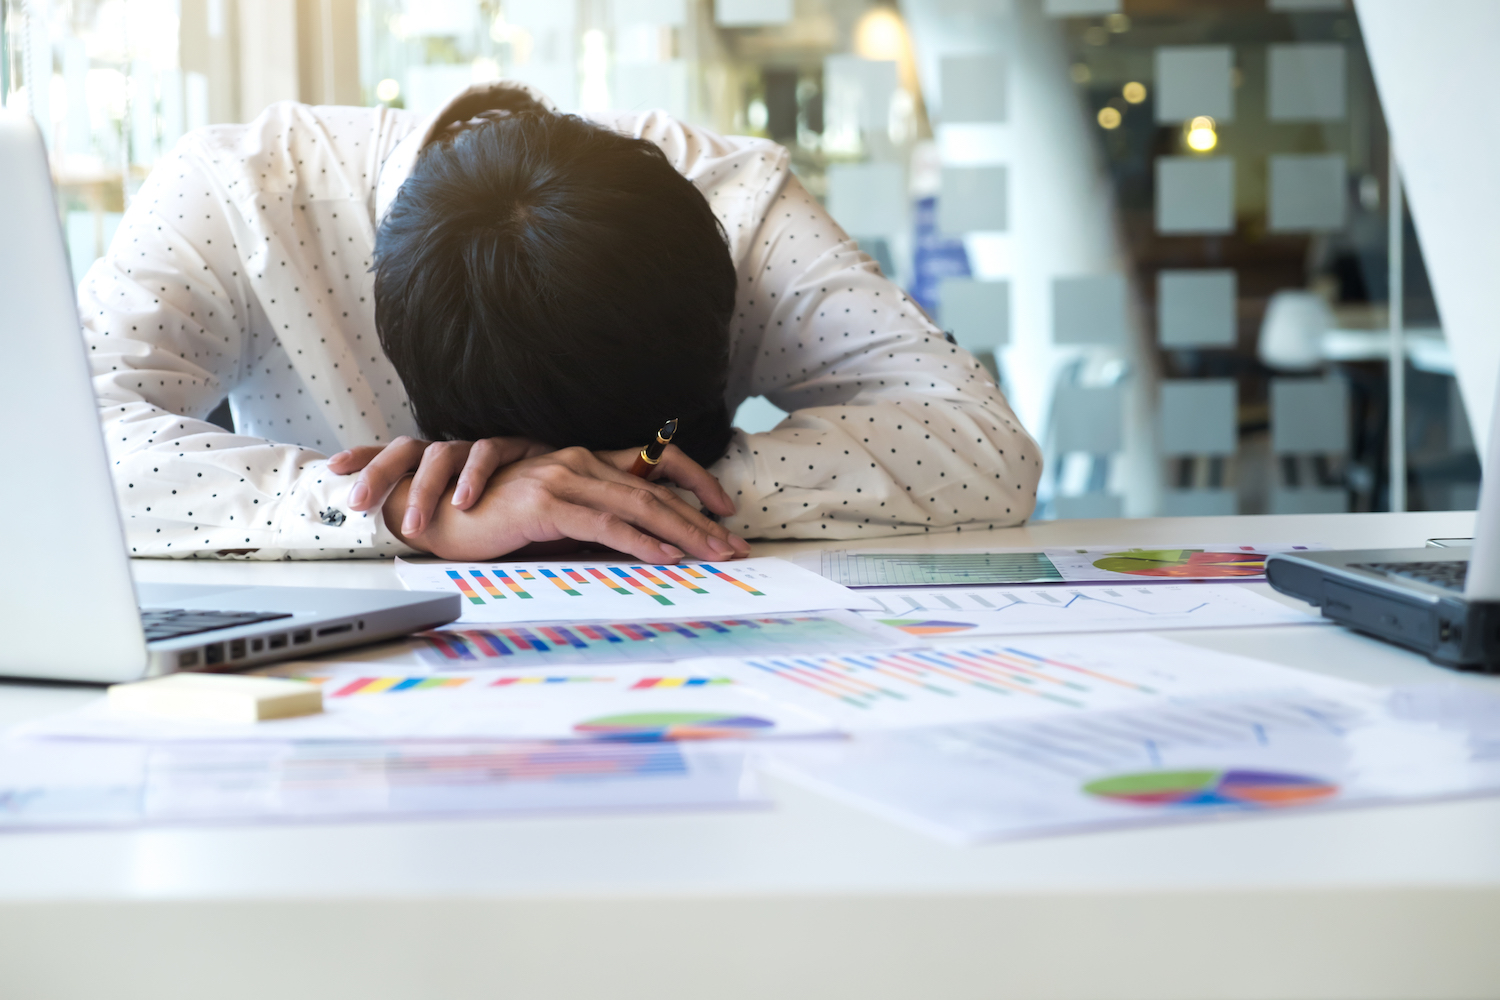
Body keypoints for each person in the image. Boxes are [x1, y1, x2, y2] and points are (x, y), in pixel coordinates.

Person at [83, 81, 1040, 563]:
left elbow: (986, 448)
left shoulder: (736, 205)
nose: (555, 492)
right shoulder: (240, 192)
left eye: (601, 459)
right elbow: (34, 453)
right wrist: (403, 518)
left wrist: (649, 492)